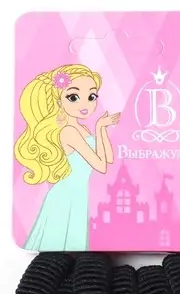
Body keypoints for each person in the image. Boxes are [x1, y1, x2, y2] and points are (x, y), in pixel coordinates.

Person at [15, 64, 120, 251]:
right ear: (59, 100)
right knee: (61, 246)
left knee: (73, 245)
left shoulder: (82, 129)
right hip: (66, 195)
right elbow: (101, 165)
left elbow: (108, 158)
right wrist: (99, 128)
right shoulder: (69, 132)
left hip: (78, 194)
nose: (85, 104)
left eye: (91, 96)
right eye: (73, 97)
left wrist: (101, 128)